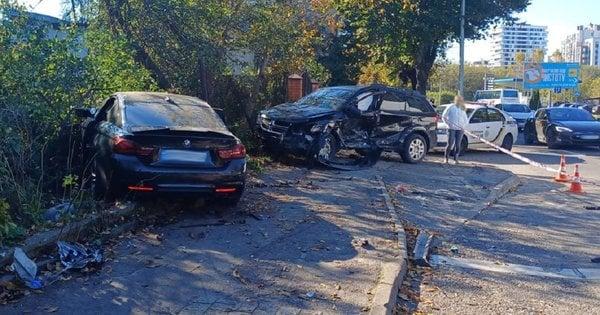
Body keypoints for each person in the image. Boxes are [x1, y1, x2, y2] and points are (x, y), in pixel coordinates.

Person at [441, 95, 469, 164]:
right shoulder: (451, 107)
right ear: (455, 100)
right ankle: (446, 158)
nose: (459, 101)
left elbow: (466, 119)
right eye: (458, 100)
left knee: (458, 144)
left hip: (460, 129)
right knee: (450, 143)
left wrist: (464, 126)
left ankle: (456, 159)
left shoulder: (462, 108)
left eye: (461, 100)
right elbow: (444, 116)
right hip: (451, 128)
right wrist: (448, 124)